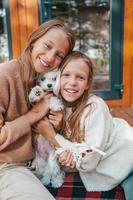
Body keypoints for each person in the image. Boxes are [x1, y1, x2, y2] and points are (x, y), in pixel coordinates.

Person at [34, 51, 133, 200]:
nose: (72, 82)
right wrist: (60, 132)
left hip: (127, 156)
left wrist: (52, 136)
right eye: (66, 75)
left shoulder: (95, 107)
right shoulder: (58, 105)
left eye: (80, 77)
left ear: (88, 84)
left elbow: (88, 161)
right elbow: (72, 151)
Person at [0, 19, 76, 200]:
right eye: (47, 46)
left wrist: (57, 126)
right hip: (8, 165)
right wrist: (34, 115)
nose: (50, 58)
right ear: (34, 40)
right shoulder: (4, 75)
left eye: (59, 55)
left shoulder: (51, 81)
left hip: (40, 160)